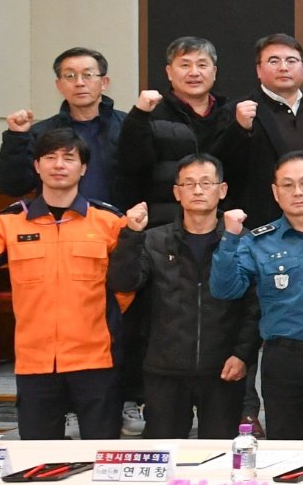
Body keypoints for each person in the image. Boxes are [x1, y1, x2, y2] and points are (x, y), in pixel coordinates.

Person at [0, 129, 145, 439]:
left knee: (100, 453)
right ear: (37, 166)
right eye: (50, 157)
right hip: (35, 361)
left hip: (95, 359)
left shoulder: (109, 221)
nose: (59, 165)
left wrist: (103, 317)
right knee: (38, 456)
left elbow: (127, 284)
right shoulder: (11, 221)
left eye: (68, 158)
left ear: (83, 168)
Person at [210, 151, 303, 440]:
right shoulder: (259, 241)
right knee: (283, 446)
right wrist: (229, 238)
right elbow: (225, 289)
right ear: (275, 193)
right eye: (288, 185)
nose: (298, 192)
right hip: (284, 360)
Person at [106, 153, 258, 440]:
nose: (198, 190)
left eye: (206, 183)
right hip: (164, 370)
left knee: (220, 455)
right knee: (162, 453)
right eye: (189, 183)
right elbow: (123, 282)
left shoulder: (241, 240)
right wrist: (131, 235)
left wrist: (242, 354)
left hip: (224, 368)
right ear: (177, 192)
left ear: (222, 190)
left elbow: (254, 307)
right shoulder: (153, 240)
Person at [117, 36, 246, 227]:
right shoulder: (149, 114)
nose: (194, 72)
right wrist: (139, 115)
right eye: (185, 65)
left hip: (223, 224)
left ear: (214, 72)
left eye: (202, 65)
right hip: (164, 225)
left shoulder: (232, 115)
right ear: (169, 72)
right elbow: (131, 166)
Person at [0, 47, 127, 206]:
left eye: (88, 75)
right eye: (70, 76)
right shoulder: (42, 133)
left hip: (119, 219)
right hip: (59, 219)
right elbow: (13, 187)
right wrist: (17, 137)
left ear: (104, 83)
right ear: (59, 85)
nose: (79, 83)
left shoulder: (128, 128)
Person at [228, 33, 303, 225]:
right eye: (274, 61)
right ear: (258, 70)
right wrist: (240, 129)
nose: (283, 67)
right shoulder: (237, 111)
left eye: (291, 61)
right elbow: (224, 168)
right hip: (260, 222)